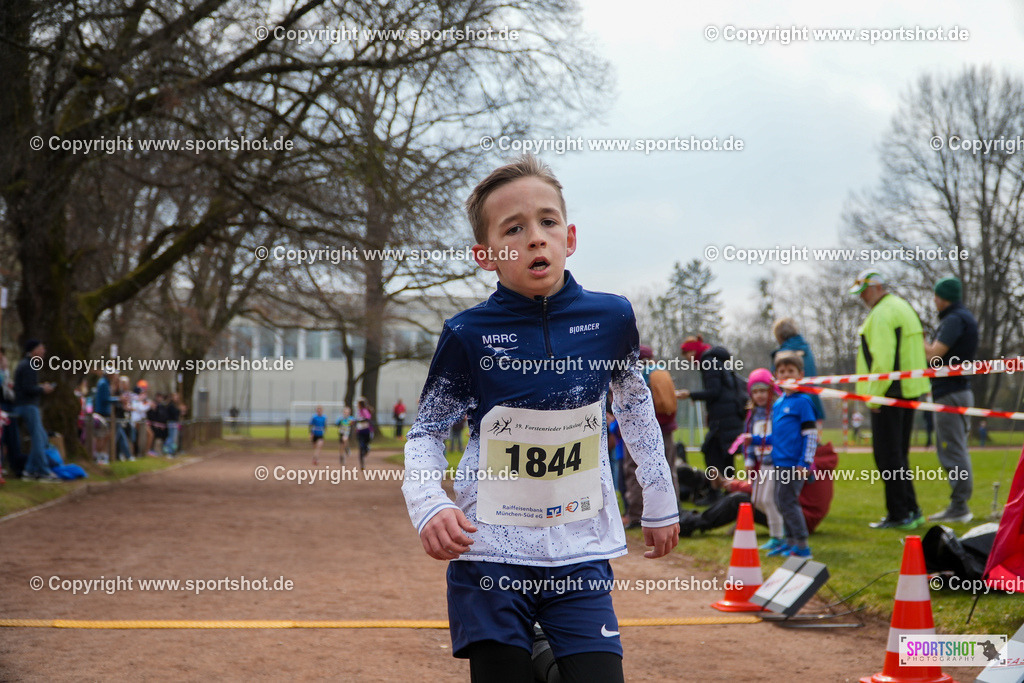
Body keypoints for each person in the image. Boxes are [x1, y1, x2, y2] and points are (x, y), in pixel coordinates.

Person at [401, 155, 679, 682]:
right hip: (489, 554)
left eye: (547, 222)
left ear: (569, 238)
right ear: (486, 255)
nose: (535, 238)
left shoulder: (612, 317)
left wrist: (660, 498)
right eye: (515, 228)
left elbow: (635, 404)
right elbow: (427, 434)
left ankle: (548, 650)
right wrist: (429, 502)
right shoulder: (468, 335)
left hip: (579, 552)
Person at [850, 269, 930, 530]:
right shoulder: (903, 306)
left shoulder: (882, 314)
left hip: (888, 394)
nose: (862, 298)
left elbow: (883, 360)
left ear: (875, 288)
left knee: (887, 457)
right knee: (899, 456)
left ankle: (899, 514)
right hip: (909, 390)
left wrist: (873, 398)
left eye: (863, 292)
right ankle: (912, 510)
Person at [923, 276, 979, 524]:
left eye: (936, 296)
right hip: (958, 391)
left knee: (952, 450)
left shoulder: (954, 319)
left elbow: (935, 356)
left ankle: (959, 507)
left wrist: (916, 339)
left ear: (943, 297)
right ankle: (959, 504)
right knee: (956, 449)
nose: (934, 301)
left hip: (950, 392)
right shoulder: (962, 317)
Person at [676, 335, 744, 503]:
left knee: (710, 453)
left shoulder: (707, 362)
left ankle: (715, 493)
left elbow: (714, 392)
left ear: (693, 351)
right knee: (726, 455)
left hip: (722, 418)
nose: (688, 360)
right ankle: (730, 492)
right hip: (731, 415)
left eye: (687, 355)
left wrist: (690, 394)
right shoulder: (715, 360)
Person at [765, 352, 818, 559]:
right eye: (782, 371)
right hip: (779, 462)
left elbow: (811, 435)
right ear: (776, 375)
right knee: (780, 501)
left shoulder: (803, 402)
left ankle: (802, 546)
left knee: (788, 501)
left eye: (791, 371)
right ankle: (790, 543)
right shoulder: (778, 403)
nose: (786, 375)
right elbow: (778, 436)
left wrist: (805, 462)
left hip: (794, 465)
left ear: (800, 375)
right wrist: (758, 438)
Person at [622, 345, 680, 528]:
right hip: (666, 430)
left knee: (634, 470)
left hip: (641, 432)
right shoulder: (661, 373)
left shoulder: (635, 376)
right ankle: (673, 512)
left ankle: (637, 515)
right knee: (669, 469)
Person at [738, 369, 785, 552]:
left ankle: (778, 536)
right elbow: (747, 440)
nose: (760, 395)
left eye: (763, 390)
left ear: (771, 391)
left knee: (768, 499)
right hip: (760, 463)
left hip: (775, 462)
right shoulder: (751, 415)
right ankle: (782, 526)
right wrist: (749, 461)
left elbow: (779, 436)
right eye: (755, 391)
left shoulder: (776, 411)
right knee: (758, 500)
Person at [13, 340, 60, 482]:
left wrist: (39, 387)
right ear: (33, 350)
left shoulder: (27, 365)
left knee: (42, 437)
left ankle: (30, 470)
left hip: (27, 405)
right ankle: (42, 471)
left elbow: (25, 386)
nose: (43, 351)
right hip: (28, 406)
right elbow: (27, 389)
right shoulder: (28, 366)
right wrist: (42, 389)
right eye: (41, 348)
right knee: (39, 439)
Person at [770, 318, 825, 426]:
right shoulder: (807, 349)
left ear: (779, 336)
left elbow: (776, 383)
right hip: (813, 402)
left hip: (792, 405)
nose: (786, 374)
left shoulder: (782, 355)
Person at [0, 346, 25, 479]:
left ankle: (13, 465)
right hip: (3, 405)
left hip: (9, 405)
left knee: (11, 438)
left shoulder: (5, 370)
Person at [355, 397, 373, 471]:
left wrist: (359, 420)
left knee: (364, 446)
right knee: (361, 447)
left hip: (366, 431)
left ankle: (366, 448)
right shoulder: (359, 411)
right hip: (360, 431)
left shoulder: (364, 410)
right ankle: (362, 464)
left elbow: (367, 418)